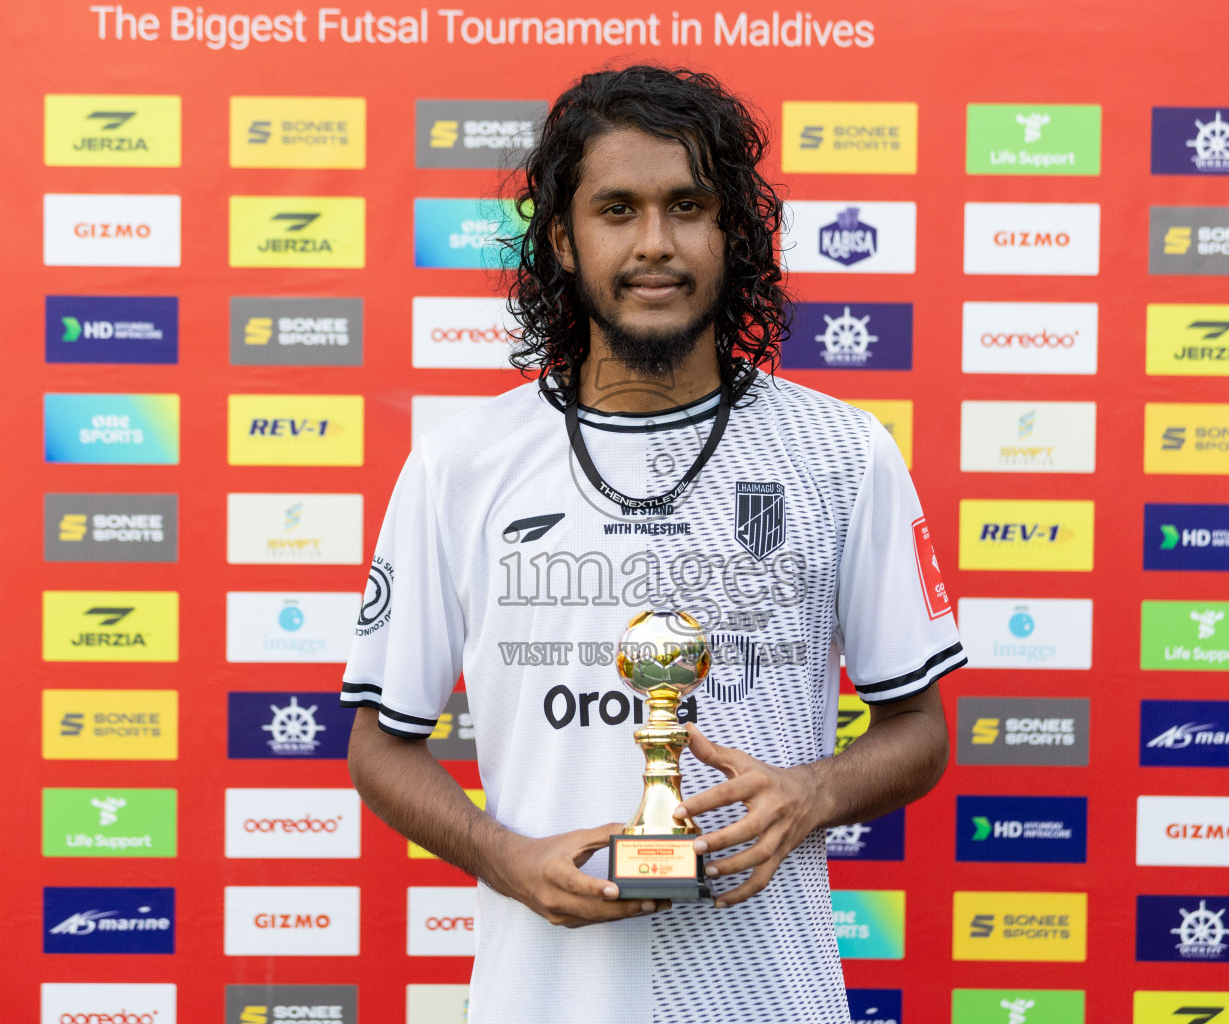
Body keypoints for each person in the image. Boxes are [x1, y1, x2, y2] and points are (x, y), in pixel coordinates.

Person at [343, 64, 964, 1024]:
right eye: (617, 209)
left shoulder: (840, 453)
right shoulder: (461, 463)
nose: (655, 245)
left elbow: (920, 731)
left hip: (766, 998)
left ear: (734, 232)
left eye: (689, 206)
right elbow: (380, 745)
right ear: (562, 236)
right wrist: (504, 860)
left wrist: (811, 791)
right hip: (541, 998)